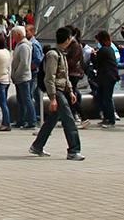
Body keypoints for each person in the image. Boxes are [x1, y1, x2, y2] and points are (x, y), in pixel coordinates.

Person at [29, 27, 84, 161]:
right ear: (66, 39)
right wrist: (53, 97)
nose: (72, 39)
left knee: (52, 120)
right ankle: (73, 150)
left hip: (62, 90)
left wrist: (70, 91)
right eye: (70, 37)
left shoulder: (61, 54)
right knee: (69, 120)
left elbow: (65, 76)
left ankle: (37, 146)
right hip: (57, 92)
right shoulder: (53, 55)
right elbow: (50, 77)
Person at [12, 26, 39, 129]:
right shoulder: (21, 45)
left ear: (18, 34)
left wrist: (16, 74)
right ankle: (20, 120)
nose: (13, 37)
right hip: (20, 77)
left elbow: (23, 63)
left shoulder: (24, 46)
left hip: (23, 77)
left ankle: (32, 120)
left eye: (14, 35)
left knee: (26, 98)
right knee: (21, 99)